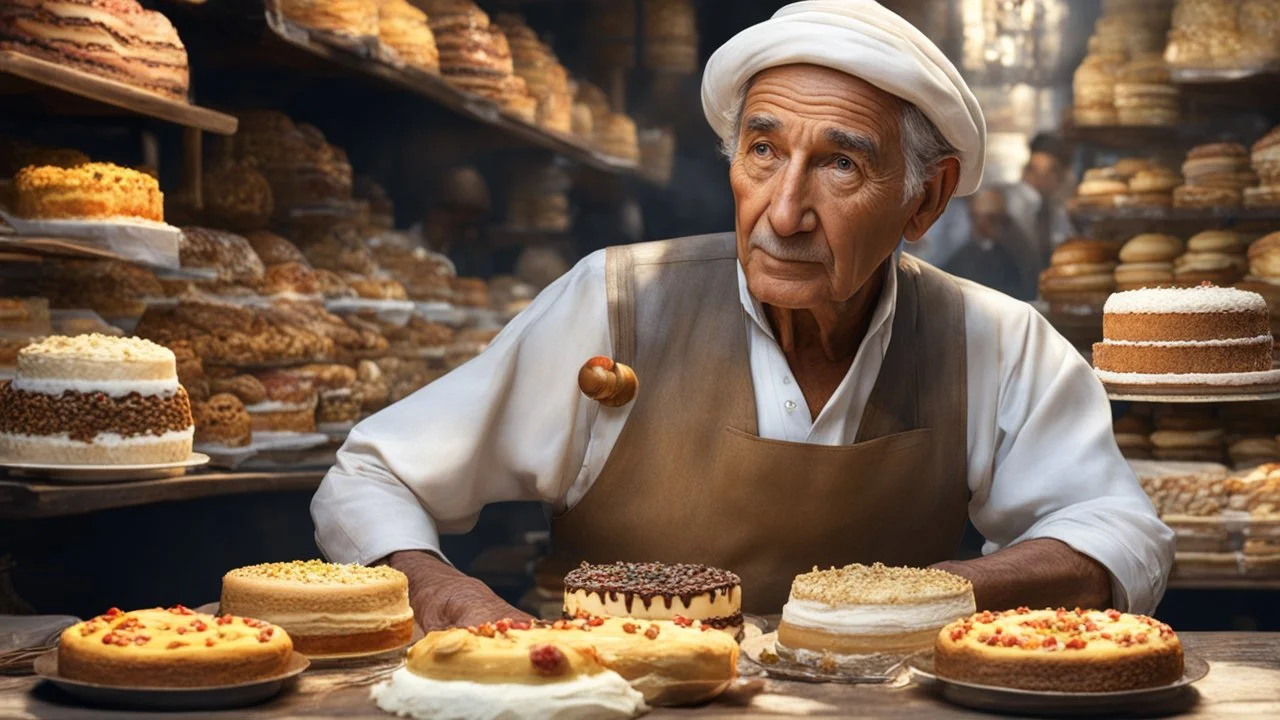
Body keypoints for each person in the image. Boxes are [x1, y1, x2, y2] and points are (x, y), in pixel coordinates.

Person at [313, 0, 1172, 627]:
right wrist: (443, 589)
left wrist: (929, 594)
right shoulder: (615, 302)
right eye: (763, 150)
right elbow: (372, 474)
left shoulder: (991, 339)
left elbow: (1118, 531)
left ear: (925, 201)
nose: (783, 211)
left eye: (839, 164)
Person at [943, 188, 1039, 301]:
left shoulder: (1017, 251)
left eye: (991, 218)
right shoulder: (966, 252)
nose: (982, 224)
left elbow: (1026, 289)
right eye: (975, 217)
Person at [1007, 133, 1075, 265]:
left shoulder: (1059, 210)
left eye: (1052, 172)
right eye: (1033, 170)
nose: (1039, 178)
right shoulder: (1009, 204)